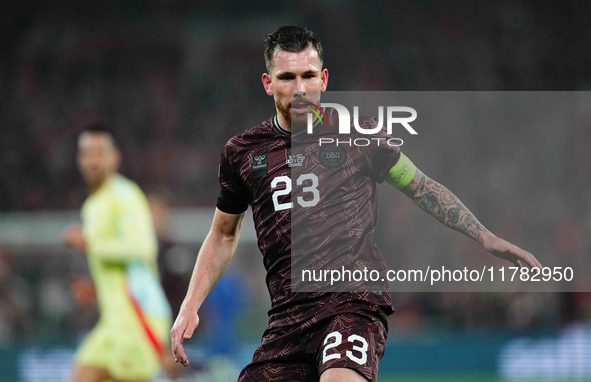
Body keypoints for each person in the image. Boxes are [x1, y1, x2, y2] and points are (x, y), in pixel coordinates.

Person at [170, 26, 541, 382]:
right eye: (287, 78)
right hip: (288, 317)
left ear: (324, 79)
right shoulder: (242, 153)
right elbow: (222, 235)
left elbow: (422, 187)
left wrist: (485, 237)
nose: (300, 88)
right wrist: (190, 304)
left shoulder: (361, 137)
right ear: (268, 83)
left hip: (353, 302)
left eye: (308, 75)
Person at [64, 124, 172, 382]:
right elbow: (120, 269)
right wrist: (96, 288)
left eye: (100, 152)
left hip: (137, 319)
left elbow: (142, 248)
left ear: (115, 158)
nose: (93, 159)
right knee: (81, 374)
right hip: (114, 321)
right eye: (87, 153)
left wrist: (90, 243)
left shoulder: (125, 195)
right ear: (79, 159)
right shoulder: (94, 203)